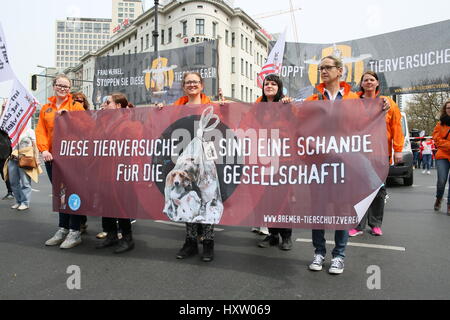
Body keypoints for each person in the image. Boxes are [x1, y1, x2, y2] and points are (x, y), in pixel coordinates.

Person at [305, 56, 360, 275]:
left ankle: (339, 256)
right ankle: (319, 252)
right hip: (318, 164)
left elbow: (364, 125)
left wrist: (380, 106)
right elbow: (299, 125)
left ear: (339, 71)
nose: (323, 71)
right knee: (317, 209)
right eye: (320, 68)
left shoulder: (354, 99)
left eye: (327, 67)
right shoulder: (312, 99)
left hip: (345, 163)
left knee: (341, 210)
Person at [349, 71, 404, 237]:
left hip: (381, 153)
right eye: (365, 80)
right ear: (361, 84)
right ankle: (358, 225)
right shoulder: (353, 101)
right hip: (359, 153)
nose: (368, 82)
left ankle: (375, 224)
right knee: (358, 190)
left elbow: (396, 127)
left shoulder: (387, 103)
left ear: (377, 83)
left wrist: (398, 150)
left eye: (372, 80)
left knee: (379, 190)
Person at [36, 74, 86, 249]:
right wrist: (44, 150)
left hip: (73, 158)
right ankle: (63, 228)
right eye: (60, 85)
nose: (63, 89)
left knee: (73, 193)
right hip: (53, 158)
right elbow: (41, 131)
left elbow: (86, 128)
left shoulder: (77, 106)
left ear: (70, 89)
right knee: (60, 194)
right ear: (54, 86)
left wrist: (70, 117)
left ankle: (75, 231)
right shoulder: (45, 109)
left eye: (66, 86)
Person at [172, 72, 216, 262]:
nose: (192, 85)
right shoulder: (175, 108)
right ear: (183, 86)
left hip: (207, 161)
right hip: (184, 162)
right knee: (187, 199)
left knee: (207, 200)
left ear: (202, 85)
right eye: (188, 82)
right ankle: (190, 242)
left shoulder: (212, 106)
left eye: (195, 82)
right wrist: (158, 110)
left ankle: (208, 243)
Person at [254, 74, 294, 251]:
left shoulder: (286, 105)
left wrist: (290, 107)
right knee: (267, 199)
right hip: (264, 160)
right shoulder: (258, 106)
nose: (269, 86)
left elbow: (297, 123)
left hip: (283, 159)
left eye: (273, 84)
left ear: (279, 87)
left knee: (283, 199)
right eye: (266, 84)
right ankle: (273, 234)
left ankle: (286, 236)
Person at [95, 93, 135, 254]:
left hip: (120, 171)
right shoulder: (103, 122)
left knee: (121, 204)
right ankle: (110, 234)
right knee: (106, 204)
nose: (104, 105)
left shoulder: (128, 124)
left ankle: (127, 238)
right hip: (104, 170)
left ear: (118, 106)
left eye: (108, 102)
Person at [5, 122, 41, 211]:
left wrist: (37, 158)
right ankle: (18, 201)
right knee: (13, 182)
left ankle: (25, 202)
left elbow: (34, 145)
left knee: (25, 182)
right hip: (12, 159)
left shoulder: (29, 131)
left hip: (25, 159)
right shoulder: (11, 130)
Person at [432, 100, 450, 215]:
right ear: (445, 109)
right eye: (448, 108)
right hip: (442, 155)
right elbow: (437, 139)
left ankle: (449, 205)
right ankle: (439, 198)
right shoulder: (440, 124)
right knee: (441, 181)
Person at [0, 100, 14, 200]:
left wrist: (3, 109)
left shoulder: (4, 128)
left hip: (2, 154)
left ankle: (10, 192)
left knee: (4, 173)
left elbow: (2, 121)